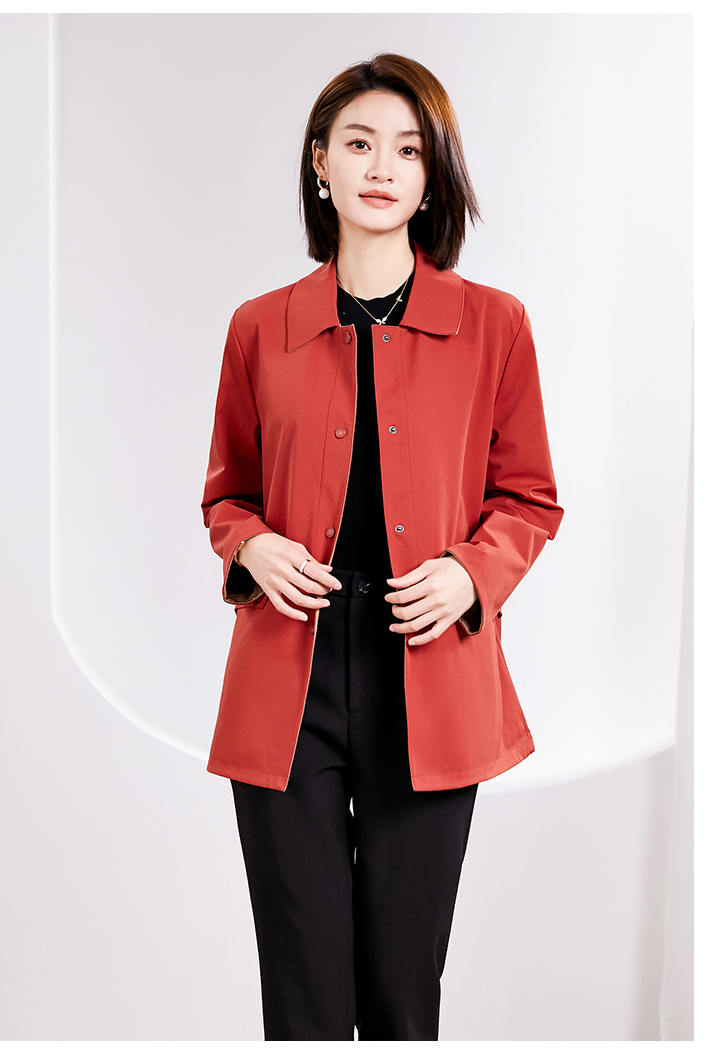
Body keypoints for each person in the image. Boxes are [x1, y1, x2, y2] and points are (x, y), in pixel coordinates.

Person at [201, 53, 564, 1041]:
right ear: (320, 162)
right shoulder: (258, 328)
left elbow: (530, 498)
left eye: (408, 150)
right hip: (290, 678)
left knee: (403, 998)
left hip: (430, 673)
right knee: (305, 1002)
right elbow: (227, 494)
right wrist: (251, 546)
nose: (381, 167)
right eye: (359, 143)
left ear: (433, 176)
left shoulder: (495, 326)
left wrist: (469, 574)